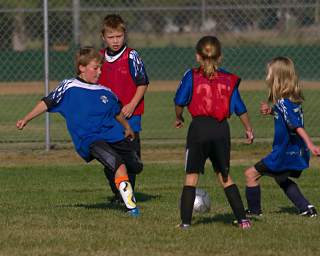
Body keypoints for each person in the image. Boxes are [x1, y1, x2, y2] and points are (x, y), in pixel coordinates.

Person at [16, 46, 142, 217]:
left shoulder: (105, 91)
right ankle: (132, 208)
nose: (99, 72)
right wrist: (26, 118)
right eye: (95, 68)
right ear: (82, 68)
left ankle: (113, 170)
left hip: (113, 135)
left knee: (135, 166)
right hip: (89, 139)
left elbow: (117, 112)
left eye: (100, 68)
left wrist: (127, 127)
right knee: (117, 163)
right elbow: (47, 102)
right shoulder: (69, 86)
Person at [174, 36, 254, 229]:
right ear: (220, 57)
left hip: (199, 129)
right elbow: (239, 107)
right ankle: (243, 220)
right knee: (225, 177)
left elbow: (179, 101)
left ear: (197, 56)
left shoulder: (191, 75)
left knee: (191, 178)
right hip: (220, 130)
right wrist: (248, 129)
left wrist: (179, 117)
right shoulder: (229, 79)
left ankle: (185, 223)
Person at [244, 56, 319, 218]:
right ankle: (306, 207)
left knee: (250, 174)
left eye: (269, 75)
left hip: (283, 153)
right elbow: (287, 118)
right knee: (281, 178)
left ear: (277, 79)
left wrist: (311, 145)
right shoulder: (290, 102)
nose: (266, 78)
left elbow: (296, 125)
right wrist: (271, 111)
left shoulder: (284, 103)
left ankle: (254, 212)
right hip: (293, 151)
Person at [98, 14, 149, 203]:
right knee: (108, 159)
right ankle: (119, 192)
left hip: (130, 116)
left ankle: (126, 195)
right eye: (111, 37)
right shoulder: (100, 58)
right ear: (103, 37)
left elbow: (142, 83)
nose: (115, 40)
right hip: (108, 119)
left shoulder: (131, 56)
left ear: (124, 35)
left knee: (130, 159)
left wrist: (131, 104)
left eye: (118, 36)